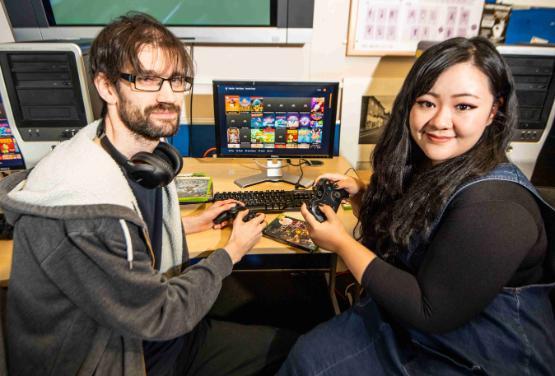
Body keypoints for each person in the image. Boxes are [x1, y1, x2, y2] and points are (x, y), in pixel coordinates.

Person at [0, 13, 296, 375]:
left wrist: (188, 223)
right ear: (107, 87)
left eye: (177, 80)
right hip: (126, 356)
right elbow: (162, 315)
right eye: (147, 79)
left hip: (148, 333)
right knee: (295, 348)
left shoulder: (141, 162)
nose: (168, 96)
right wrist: (231, 251)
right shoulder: (88, 211)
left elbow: (132, 240)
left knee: (278, 322)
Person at [279, 37, 555, 375]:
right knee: (307, 352)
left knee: (309, 363)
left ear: (493, 111)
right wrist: (361, 196)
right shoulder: (437, 164)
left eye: (463, 106)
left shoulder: (496, 209)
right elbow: (417, 238)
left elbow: (431, 312)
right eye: (427, 103)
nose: (439, 121)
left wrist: (341, 243)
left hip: (471, 350)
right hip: (416, 322)